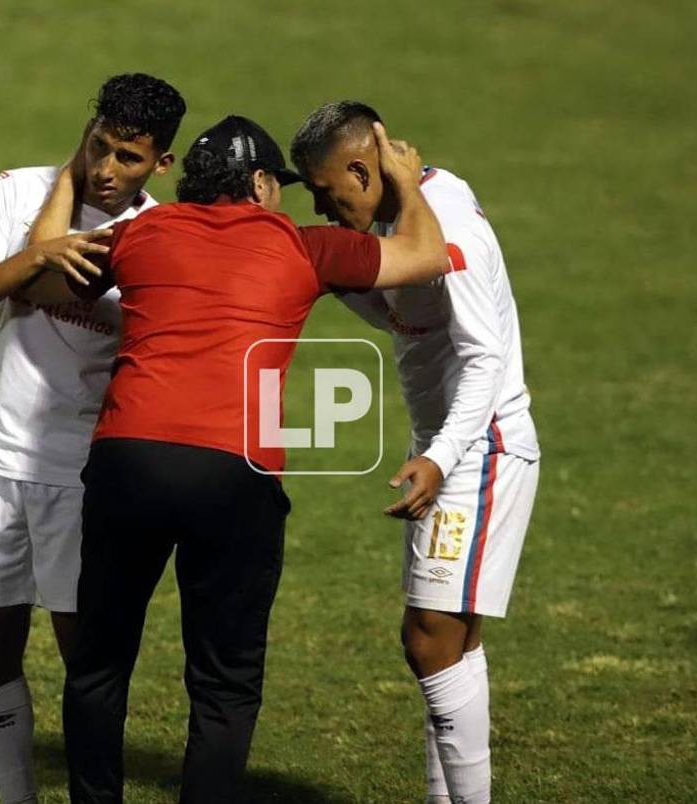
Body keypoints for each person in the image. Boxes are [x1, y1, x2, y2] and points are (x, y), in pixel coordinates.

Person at [24, 115, 448, 803]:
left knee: (99, 663)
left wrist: (69, 183)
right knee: (224, 683)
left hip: (128, 459)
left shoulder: (139, 233)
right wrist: (405, 181)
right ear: (258, 183)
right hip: (232, 474)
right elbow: (426, 255)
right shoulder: (303, 246)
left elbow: (46, 269)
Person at [0, 73, 185, 804]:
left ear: (160, 164)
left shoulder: (158, 238)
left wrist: (37, 265)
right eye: (99, 147)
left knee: (89, 660)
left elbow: (34, 291)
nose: (107, 170)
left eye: (129, 159)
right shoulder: (17, 189)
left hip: (83, 473)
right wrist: (42, 251)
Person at [290, 101, 541, 804]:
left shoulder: (449, 225)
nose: (321, 204)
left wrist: (440, 458)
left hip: (476, 447)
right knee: (451, 639)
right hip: (448, 443)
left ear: (362, 169)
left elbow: (485, 358)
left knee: (428, 637)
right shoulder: (411, 215)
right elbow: (404, 314)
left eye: (323, 189)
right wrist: (336, 279)